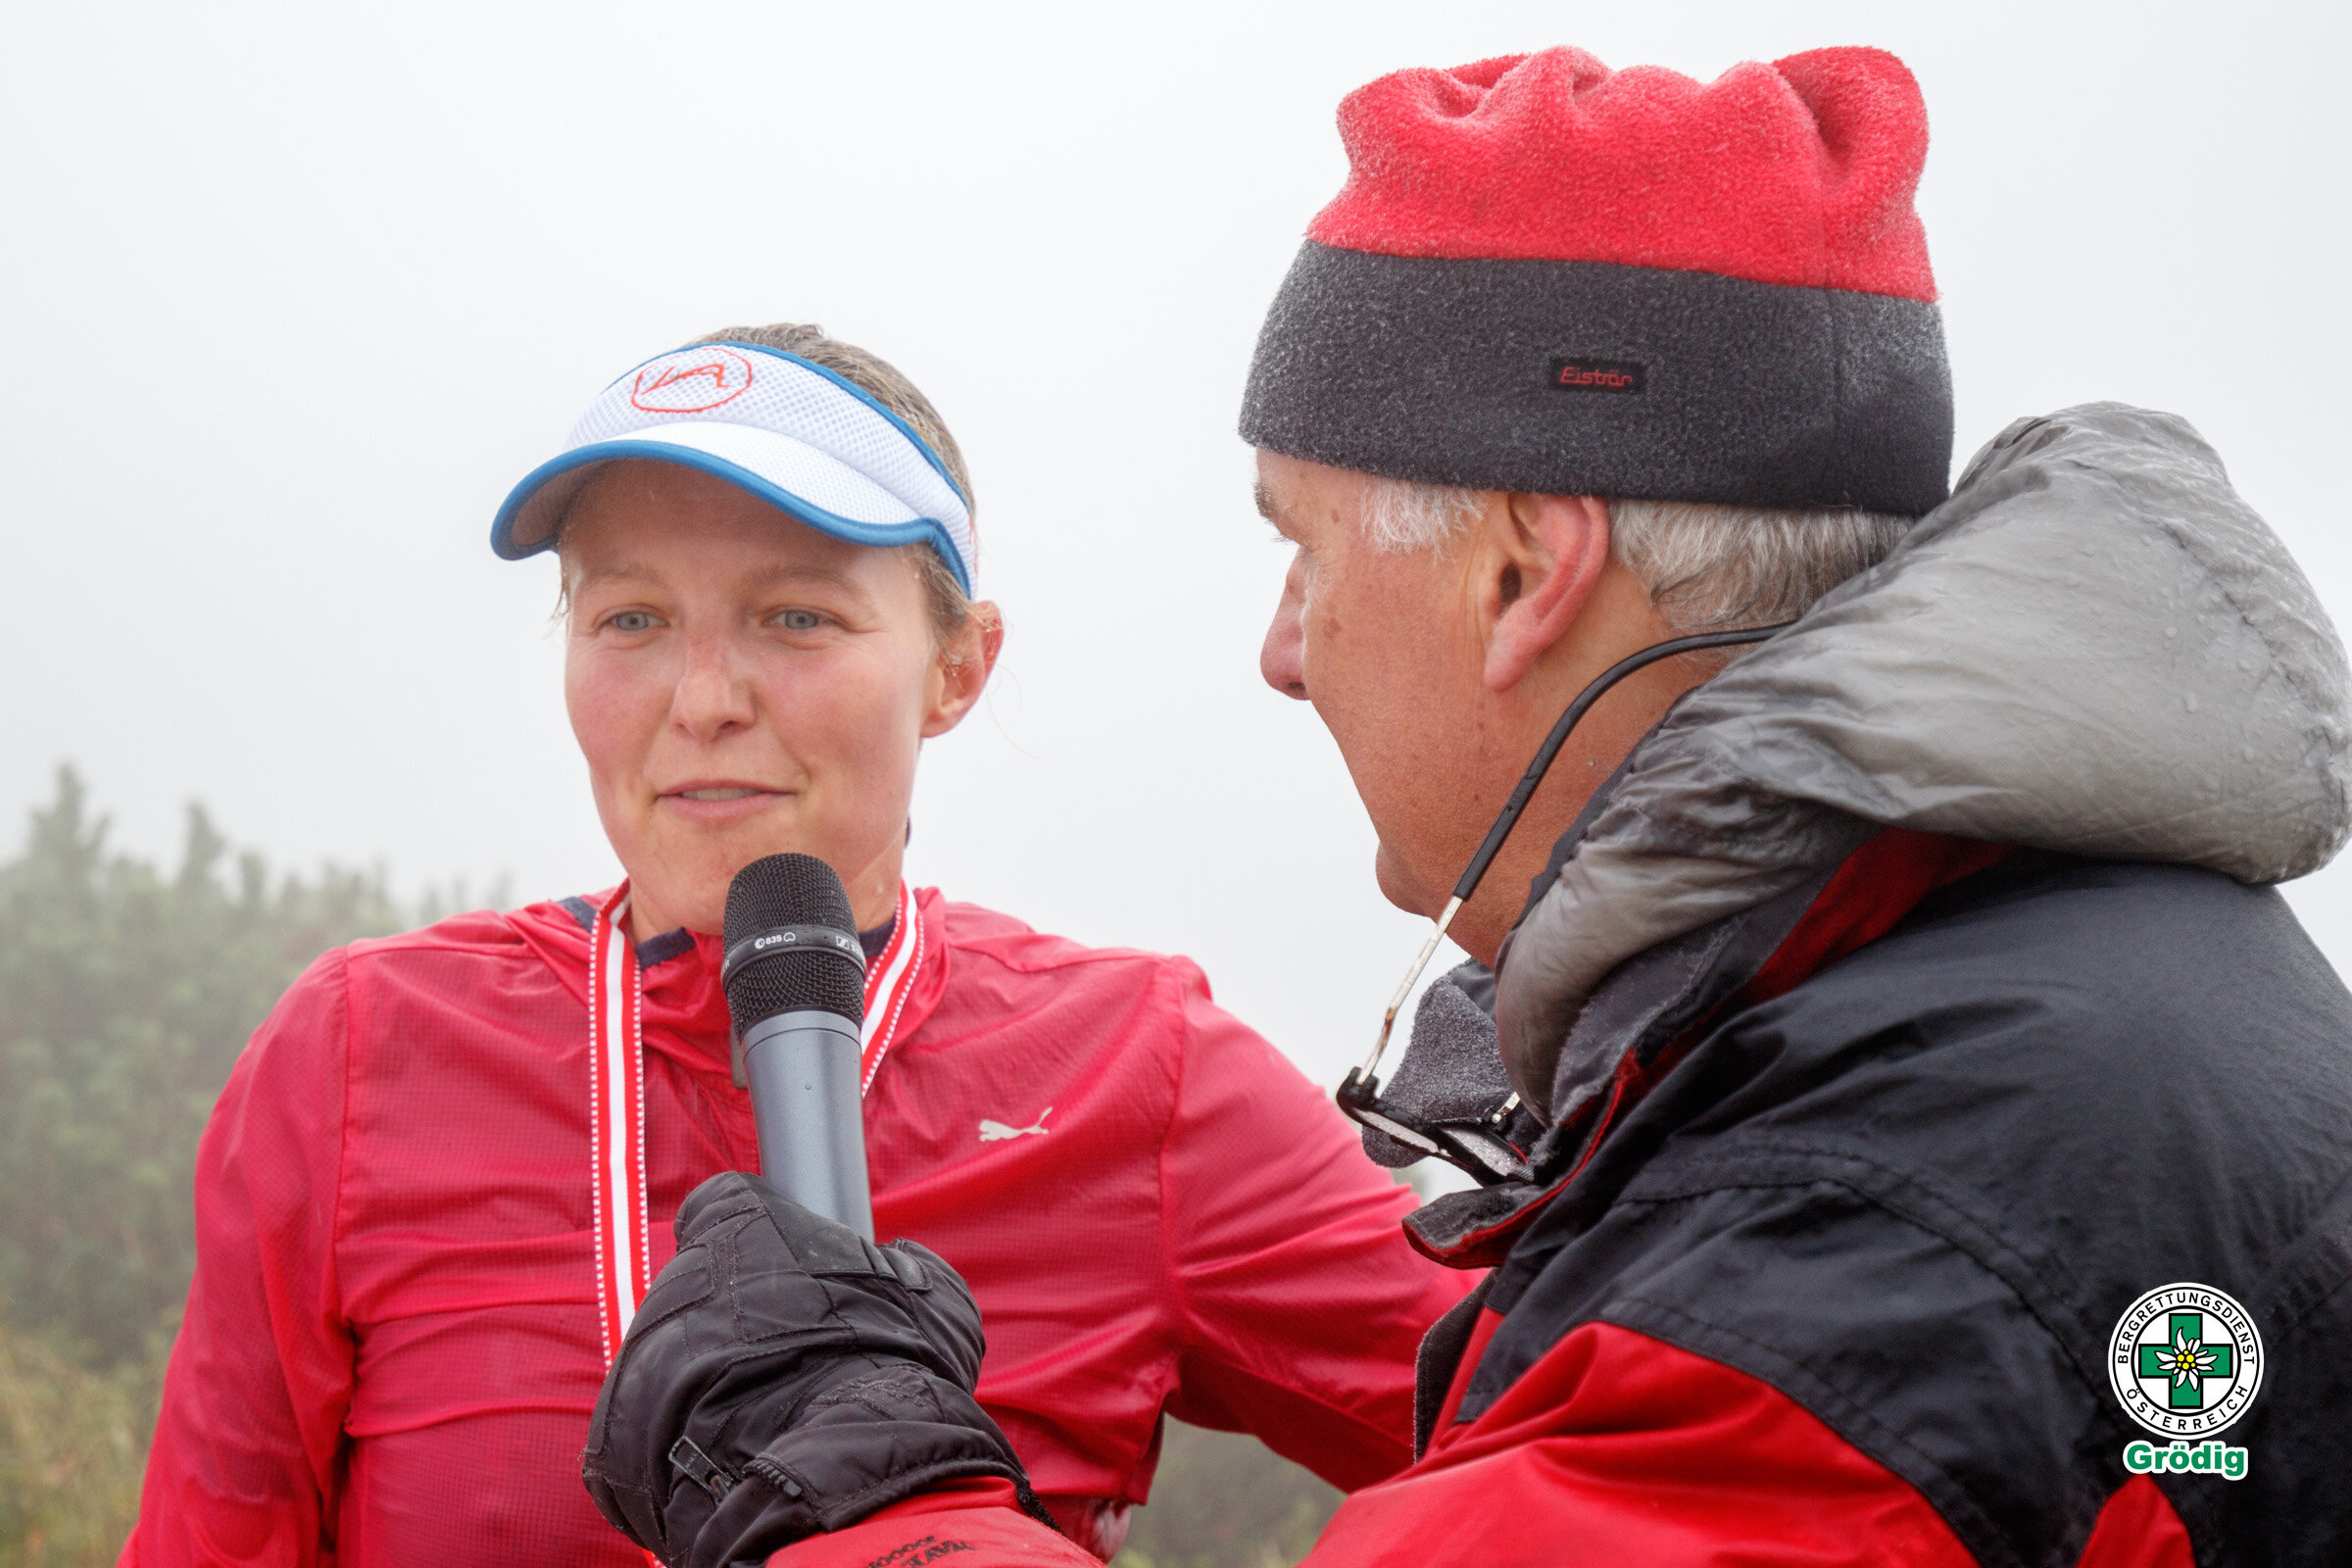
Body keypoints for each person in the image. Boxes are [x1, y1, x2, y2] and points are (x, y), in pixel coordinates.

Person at [586, 46, 2352, 1567]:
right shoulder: (2010, 992)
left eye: (1303, 546)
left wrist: (853, 1485)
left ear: (1523, 574)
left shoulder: (1872, 1229)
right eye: (628, 615)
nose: (1281, 652)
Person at [121, 323, 1475, 1565]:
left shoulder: (1138, 1069)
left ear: (959, 669)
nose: (704, 700)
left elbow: (1590, 1447)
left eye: (797, 617)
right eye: (631, 618)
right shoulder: (364, 1051)